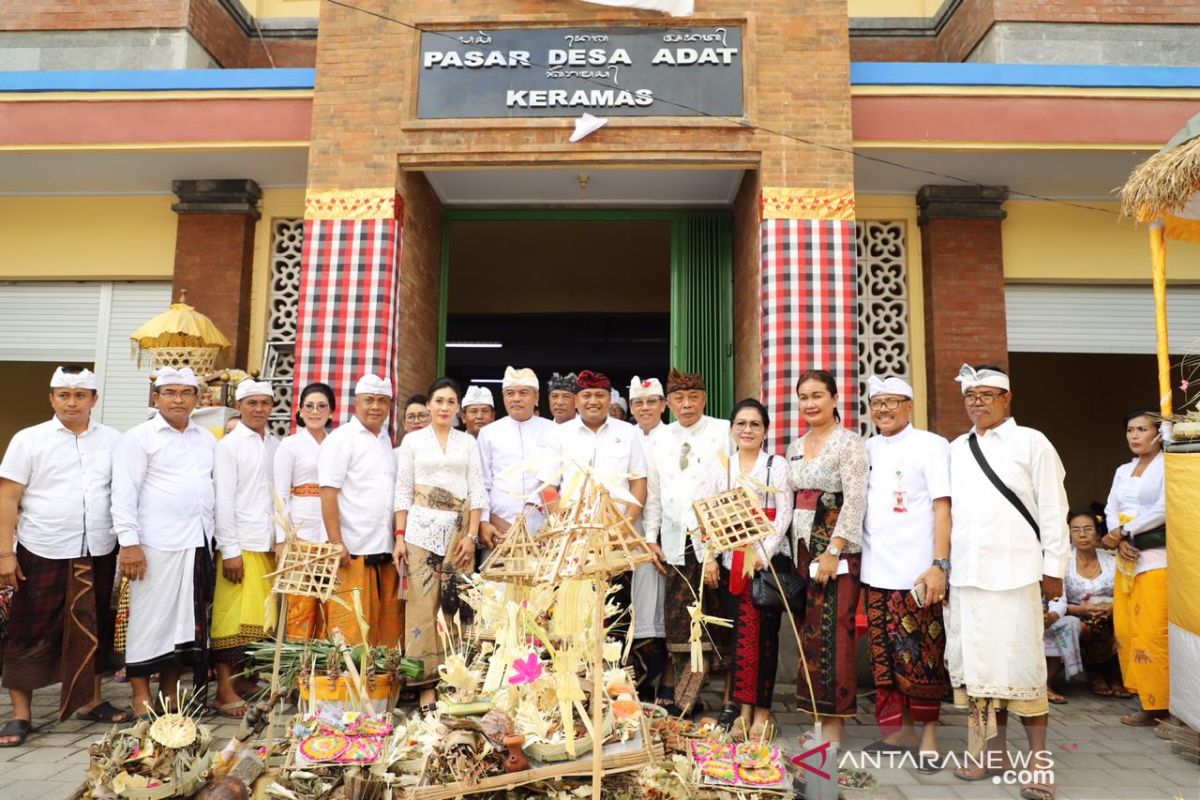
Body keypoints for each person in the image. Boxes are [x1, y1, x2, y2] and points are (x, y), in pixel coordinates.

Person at [945, 364, 1067, 800]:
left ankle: (1038, 761)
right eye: (970, 395)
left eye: (987, 394)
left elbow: (1054, 508)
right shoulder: (956, 448)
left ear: (1007, 398)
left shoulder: (1032, 442)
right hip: (967, 578)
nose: (977, 401)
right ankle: (988, 753)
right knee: (978, 673)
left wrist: (1054, 568)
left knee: (1024, 670)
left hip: (1017, 576)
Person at [0, 367, 129, 747]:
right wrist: (4, 553)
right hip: (43, 546)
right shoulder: (29, 439)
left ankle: (90, 700)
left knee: (92, 627)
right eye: (63, 395)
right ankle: (21, 714)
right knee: (30, 629)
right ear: (52, 398)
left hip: (97, 549)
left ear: (94, 400)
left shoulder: (114, 441)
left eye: (80, 395)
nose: (71, 402)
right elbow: (7, 496)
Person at [111, 367, 217, 718]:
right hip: (153, 545)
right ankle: (141, 694)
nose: (177, 399)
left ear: (197, 399)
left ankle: (169, 691)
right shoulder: (139, 437)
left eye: (185, 393)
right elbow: (124, 492)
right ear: (155, 398)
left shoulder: (206, 439)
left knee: (184, 623)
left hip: (196, 542)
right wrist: (129, 543)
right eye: (169, 392)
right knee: (148, 620)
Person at [687, 398, 792, 740]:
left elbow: (784, 513)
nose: (747, 430)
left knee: (765, 639)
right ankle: (742, 711)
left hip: (766, 564)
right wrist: (711, 556)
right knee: (741, 639)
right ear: (732, 430)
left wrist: (766, 552)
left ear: (765, 430)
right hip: (733, 562)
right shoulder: (723, 468)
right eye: (741, 424)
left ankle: (763, 711)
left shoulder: (776, 466)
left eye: (755, 424)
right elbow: (705, 514)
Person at [860, 376, 950, 767]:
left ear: (909, 406)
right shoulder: (867, 449)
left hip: (918, 573)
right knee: (888, 660)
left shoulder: (932, 445)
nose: (883, 410)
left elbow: (943, 507)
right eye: (877, 403)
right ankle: (902, 732)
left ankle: (930, 736)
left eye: (892, 402)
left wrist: (939, 564)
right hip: (875, 569)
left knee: (923, 657)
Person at [643, 369, 733, 715]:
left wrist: (715, 546)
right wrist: (651, 538)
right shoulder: (659, 439)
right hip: (675, 541)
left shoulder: (723, 431)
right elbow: (653, 493)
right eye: (679, 398)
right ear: (668, 403)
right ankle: (685, 700)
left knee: (719, 618)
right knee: (681, 620)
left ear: (704, 399)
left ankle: (728, 701)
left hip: (717, 542)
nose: (687, 404)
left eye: (693, 397)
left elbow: (732, 487)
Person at [393, 377, 485, 713]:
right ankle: (424, 685)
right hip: (419, 532)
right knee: (421, 607)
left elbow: (477, 490)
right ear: (428, 406)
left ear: (458, 407)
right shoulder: (413, 442)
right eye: (438, 401)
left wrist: (472, 537)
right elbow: (403, 490)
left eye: (450, 401)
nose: (444, 407)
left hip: (459, 536)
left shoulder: (467, 443)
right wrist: (400, 537)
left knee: (457, 607)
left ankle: (456, 680)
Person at [787, 369, 868, 746]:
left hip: (834, 550)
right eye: (803, 397)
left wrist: (835, 550)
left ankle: (834, 730)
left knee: (836, 636)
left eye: (817, 395)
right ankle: (817, 720)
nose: (810, 404)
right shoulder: (795, 446)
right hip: (802, 550)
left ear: (835, 399)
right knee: (811, 636)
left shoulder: (849, 444)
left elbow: (855, 500)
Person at [211, 379, 279, 717]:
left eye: (265, 403)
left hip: (266, 542)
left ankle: (244, 679)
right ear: (239, 406)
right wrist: (230, 549)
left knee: (258, 620)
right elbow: (222, 500)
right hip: (239, 543)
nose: (258, 409)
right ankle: (223, 690)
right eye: (252, 403)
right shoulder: (229, 446)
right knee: (231, 620)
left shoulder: (274, 444)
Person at [318, 374, 401, 648]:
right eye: (369, 400)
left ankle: (380, 689)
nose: (375, 406)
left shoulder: (386, 442)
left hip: (384, 549)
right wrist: (336, 542)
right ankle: (347, 688)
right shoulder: (341, 439)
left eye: (382, 401)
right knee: (350, 628)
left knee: (383, 629)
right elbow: (328, 492)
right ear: (356, 403)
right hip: (352, 550)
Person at [1101, 407, 1168, 727]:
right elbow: (1112, 506)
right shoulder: (1122, 470)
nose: (1135, 436)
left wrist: (1126, 532)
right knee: (1126, 630)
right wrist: (1118, 536)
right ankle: (1142, 694)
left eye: (1142, 429)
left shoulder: (1169, 466)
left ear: (1159, 433)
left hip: (1156, 560)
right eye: (1130, 430)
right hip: (1126, 560)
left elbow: (1163, 508)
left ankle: (1159, 703)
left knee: (1152, 632)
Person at [273, 382, 335, 640]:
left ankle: (323, 667)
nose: (315, 411)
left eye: (322, 406)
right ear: (299, 411)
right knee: (300, 601)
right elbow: (279, 494)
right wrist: (282, 538)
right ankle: (296, 662)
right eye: (309, 406)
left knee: (329, 600)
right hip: (299, 531)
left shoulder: (338, 443)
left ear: (331, 412)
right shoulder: (290, 445)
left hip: (332, 530)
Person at [1043, 509, 1122, 703]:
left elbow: (1124, 592)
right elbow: (1055, 600)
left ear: (1097, 532)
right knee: (1085, 624)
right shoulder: (1063, 562)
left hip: (1112, 611)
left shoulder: (1112, 560)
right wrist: (1079, 610)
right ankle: (1096, 674)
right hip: (1074, 613)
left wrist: (1113, 608)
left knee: (1120, 622)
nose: (1082, 534)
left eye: (1088, 529)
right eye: (1076, 529)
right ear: (1069, 534)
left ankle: (1115, 676)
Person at [477, 367, 557, 552]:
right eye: (510, 393)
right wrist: (483, 521)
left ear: (536, 398)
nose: (516, 398)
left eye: (523, 393)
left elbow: (559, 480)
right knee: (495, 581)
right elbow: (481, 482)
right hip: (498, 527)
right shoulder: (488, 433)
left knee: (541, 580)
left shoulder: (554, 431)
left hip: (543, 527)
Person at [626, 376, 668, 699]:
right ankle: (637, 683)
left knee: (665, 607)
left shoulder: (673, 437)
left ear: (663, 405)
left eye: (651, 401)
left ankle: (664, 685)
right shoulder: (624, 438)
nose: (645, 408)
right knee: (636, 605)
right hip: (633, 532)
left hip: (667, 533)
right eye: (638, 403)